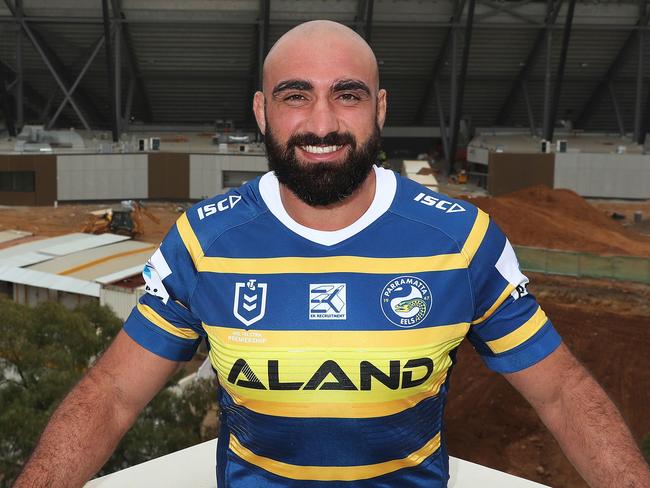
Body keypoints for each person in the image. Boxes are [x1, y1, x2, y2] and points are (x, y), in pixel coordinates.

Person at [15, 20, 650, 488]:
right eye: (296, 96)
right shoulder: (203, 242)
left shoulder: (462, 239)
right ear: (262, 113)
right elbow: (113, 395)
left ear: (379, 109)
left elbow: (563, 392)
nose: (322, 123)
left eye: (346, 94)